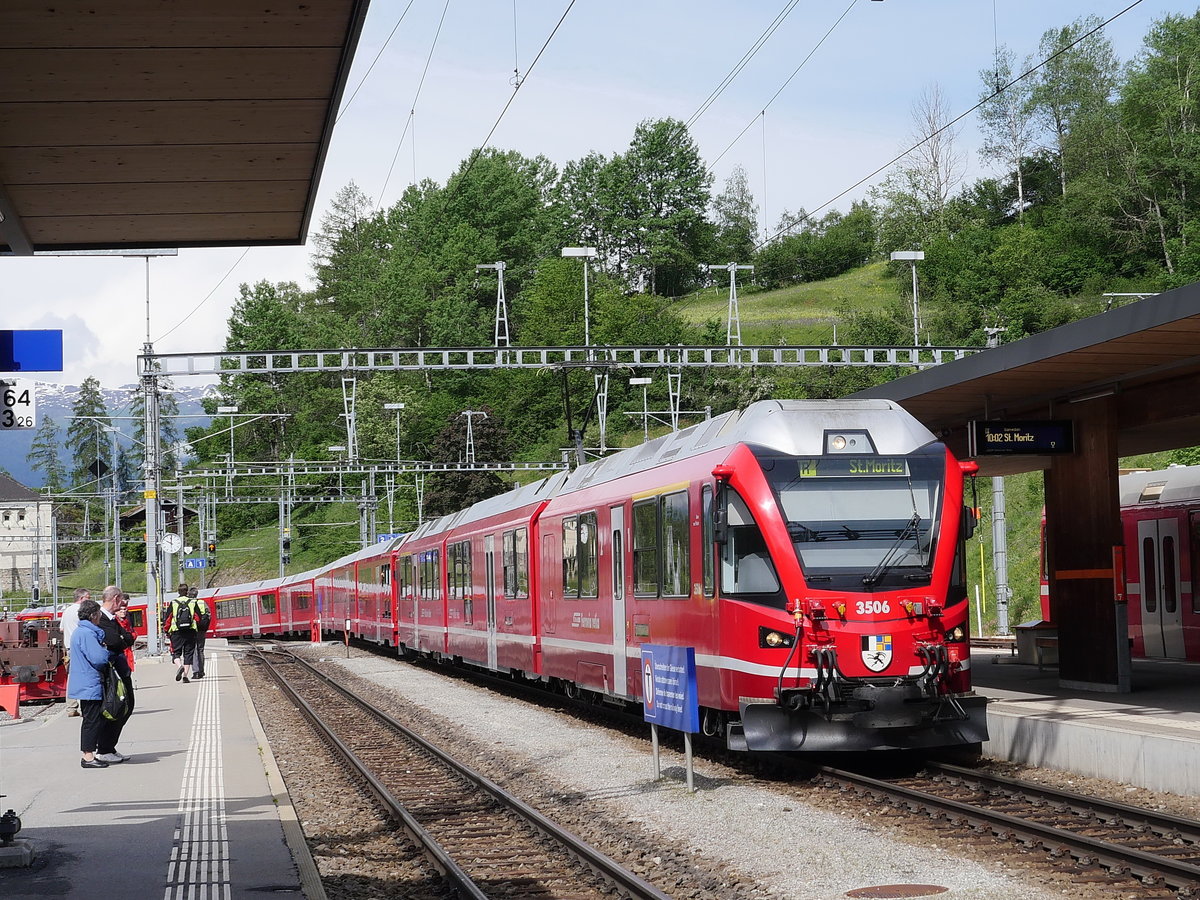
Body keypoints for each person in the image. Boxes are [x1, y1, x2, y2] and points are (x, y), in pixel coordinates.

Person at [66, 599, 116, 769]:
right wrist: (106, 652)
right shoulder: (87, 634)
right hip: (89, 683)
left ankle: (89, 754)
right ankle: (87, 756)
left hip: (86, 681)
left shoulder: (81, 632)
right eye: (99, 613)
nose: (101, 616)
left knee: (92, 719)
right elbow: (98, 658)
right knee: (92, 720)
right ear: (94, 615)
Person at [94, 585, 135, 763]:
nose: (124, 603)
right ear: (116, 599)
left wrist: (122, 639)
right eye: (122, 600)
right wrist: (121, 639)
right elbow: (115, 641)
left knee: (127, 706)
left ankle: (109, 747)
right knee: (117, 707)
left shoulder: (111, 619)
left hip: (120, 670)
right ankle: (104, 748)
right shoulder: (102, 618)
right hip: (113, 673)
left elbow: (127, 637)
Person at [59, 587, 91, 717]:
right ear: (82, 598)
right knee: (86, 677)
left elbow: (61, 629)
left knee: (72, 678)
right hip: (82, 648)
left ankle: (71, 707)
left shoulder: (67, 611)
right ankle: (86, 708)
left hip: (69, 648)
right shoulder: (82, 611)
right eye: (88, 598)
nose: (89, 600)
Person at [167, 586, 198, 683]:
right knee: (188, 654)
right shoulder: (193, 602)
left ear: (178, 592)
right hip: (190, 631)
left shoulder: (174, 603)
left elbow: (167, 618)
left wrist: (167, 631)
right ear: (187, 592)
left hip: (177, 632)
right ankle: (185, 676)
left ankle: (179, 666)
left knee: (176, 653)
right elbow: (198, 617)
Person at [189, 587, 210, 679]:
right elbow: (209, 615)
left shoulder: (187, 603)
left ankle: (196, 672)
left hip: (191, 629)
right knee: (200, 650)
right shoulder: (202, 602)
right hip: (201, 629)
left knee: (193, 650)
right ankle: (201, 671)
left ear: (189, 595)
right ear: (196, 594)